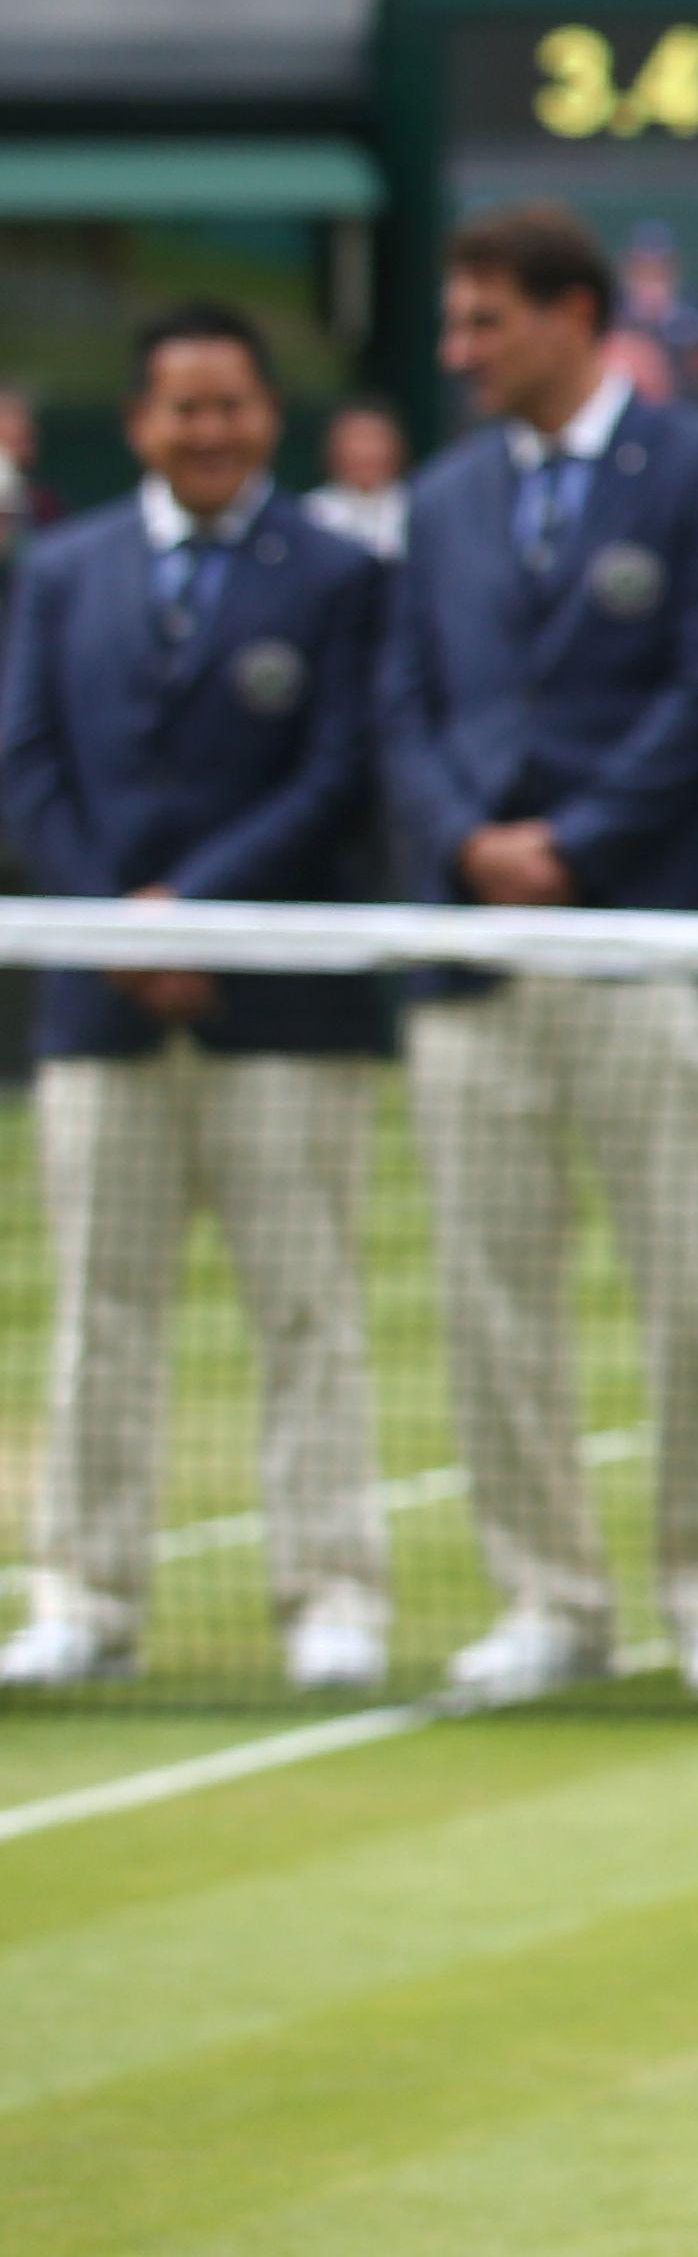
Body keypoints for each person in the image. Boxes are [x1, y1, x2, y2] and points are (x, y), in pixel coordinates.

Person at [378, 202, 698, 1703]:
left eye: (484, 322)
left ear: (569, 316)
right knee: (494, 1297)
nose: (459, 351)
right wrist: (475, 846)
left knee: (685, 1284)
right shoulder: (442, 495)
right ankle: (547, 1598)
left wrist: (576, 849)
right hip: (472, 953)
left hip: (642, 937)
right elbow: (403, 703)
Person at [0, 303, 395, 1694]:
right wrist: (119, 919)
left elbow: (341, 769)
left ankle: (333, 1595)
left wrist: (200, 912)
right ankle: (86, 1600)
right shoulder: (61, 571)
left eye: (230, 406)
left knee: (307, 1310)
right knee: (101, 1314)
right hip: (101, 1014)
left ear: (266, 417)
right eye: (182, 408)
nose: (207, 430)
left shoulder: (340, 575)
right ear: (143, 422)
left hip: (282, 1008)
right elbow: (27, 763)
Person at [302, 394, 407, 557]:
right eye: (356, 438)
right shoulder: (312, 512)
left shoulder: (416, 507)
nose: (365, 452)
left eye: (374, 438)